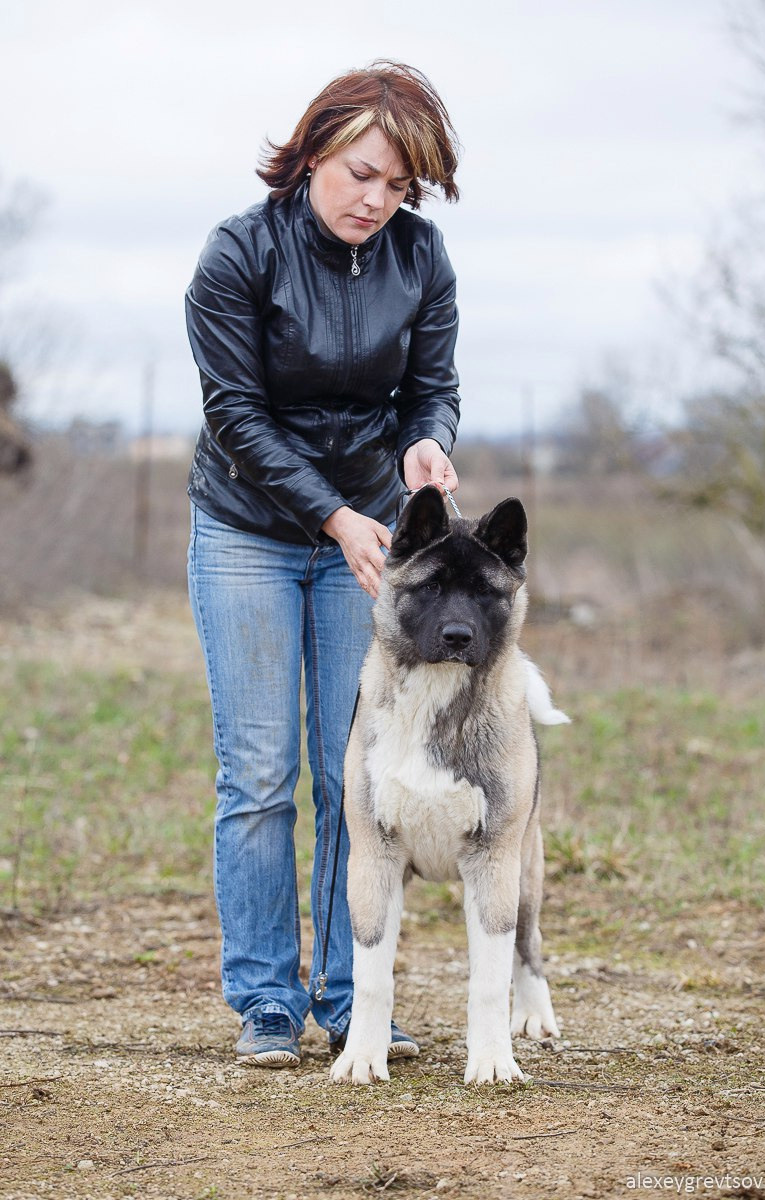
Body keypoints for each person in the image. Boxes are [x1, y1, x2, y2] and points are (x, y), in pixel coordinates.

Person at [185, 61, 461, 1068]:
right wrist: (335, 514)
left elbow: (429, 388)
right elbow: (237, 418)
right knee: (259, 774)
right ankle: (266, 1000)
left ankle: (354, 999)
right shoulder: (237, 255)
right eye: (359, 173)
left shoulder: (421, 259)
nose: (374, 200)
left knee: (357, 776)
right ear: (311, 153)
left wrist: (424, 445)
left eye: (396, 186)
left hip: (367, 542)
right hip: (248, 532)